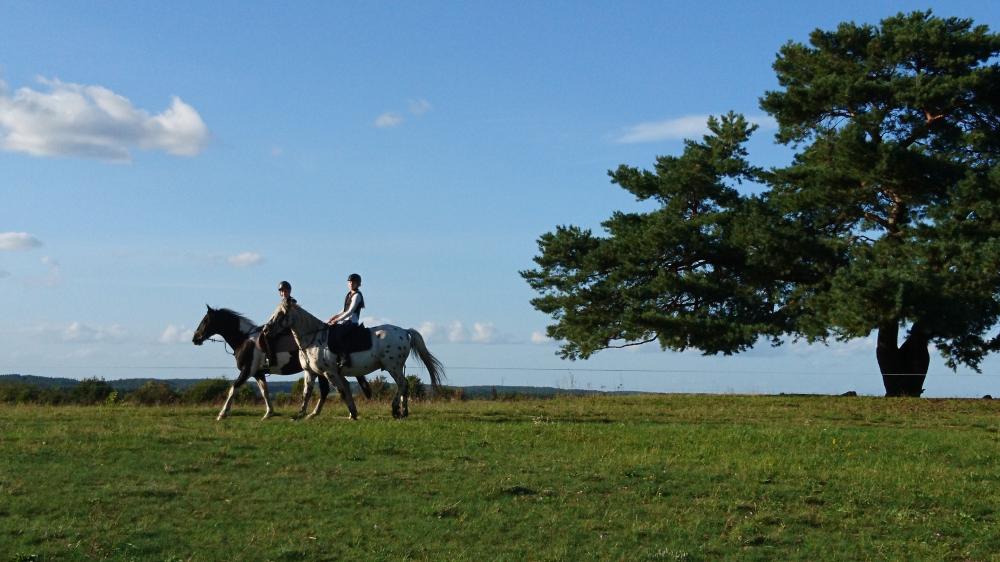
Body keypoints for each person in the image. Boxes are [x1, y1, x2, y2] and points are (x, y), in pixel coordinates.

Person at [327, 273, 365, 368]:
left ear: (358, 284)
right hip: (346, 321)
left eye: (354, 282)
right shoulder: (349, 294)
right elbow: (344, 310)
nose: (351, 283)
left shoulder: (357, 296)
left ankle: (345, 358)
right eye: (350, 282)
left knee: (339, 335)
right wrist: (334, 317)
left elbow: (350, 311)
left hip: (352, 322)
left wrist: (337, 320)